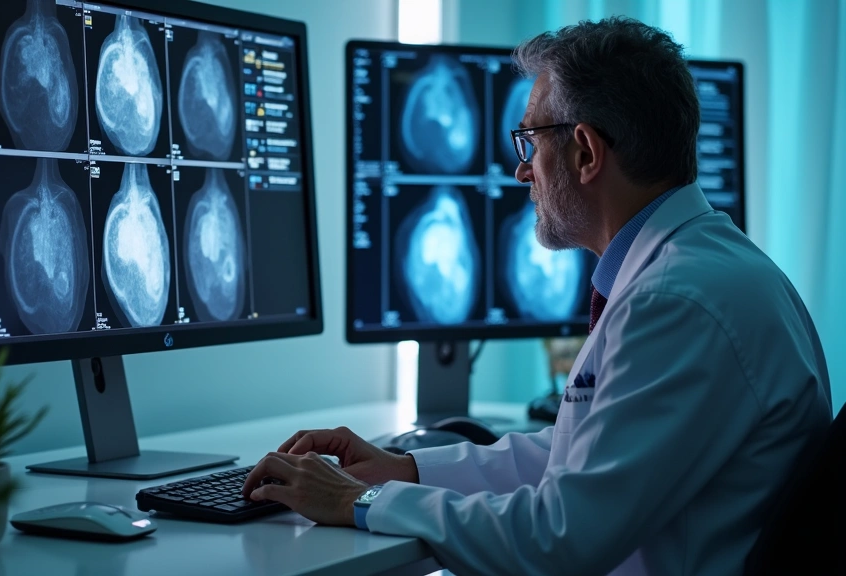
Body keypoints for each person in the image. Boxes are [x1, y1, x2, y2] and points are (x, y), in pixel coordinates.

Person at [242, 16, 833, 576]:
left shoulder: (677, 301)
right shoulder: (705, 269)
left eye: (529, 142)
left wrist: (366, 500)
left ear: (585, 152)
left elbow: (561, 538)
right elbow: (582, 451)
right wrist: (408, 467)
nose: (521, 171)